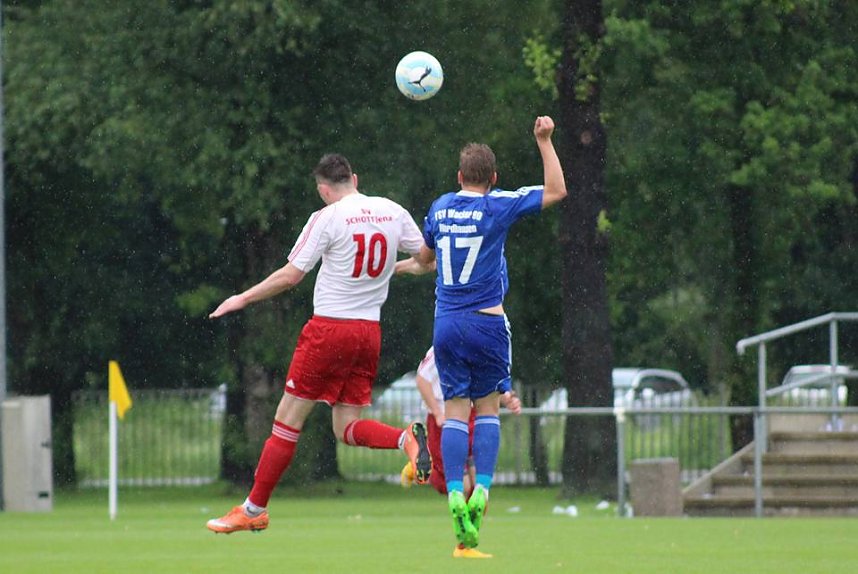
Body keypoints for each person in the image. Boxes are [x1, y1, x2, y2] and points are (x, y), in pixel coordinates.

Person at [206, 153, 432, 534]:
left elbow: (292, 275)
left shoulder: (327, 217)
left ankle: (253, 508)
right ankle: (404, 438)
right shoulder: (392, 211)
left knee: (287, 421)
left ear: (323, 190)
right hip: (368, 333)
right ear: (355, 179)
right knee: (346, 427)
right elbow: (427, 258)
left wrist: (242, 298)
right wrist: (402, 267)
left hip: (330, 330)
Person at [397, 116, 567, 551]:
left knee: (455, 413)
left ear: (458, 177)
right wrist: (543, 141)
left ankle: (454, 490)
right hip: (488, 321)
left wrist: (389, 270)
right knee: (487, 411)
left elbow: (424, 260)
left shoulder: (439, 208)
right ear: (493, 178)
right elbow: (555, 192)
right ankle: (483, 490)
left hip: (447, 324)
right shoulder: (497, 205)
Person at [398, 347, 521, 559]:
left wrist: (507, 398)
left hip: (474, 417)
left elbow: (489, 384)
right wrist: (437, 412)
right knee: (460, 488)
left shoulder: (482, 339)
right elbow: (422, 380)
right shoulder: (445, 341)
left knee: (479, 495)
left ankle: (466, 546)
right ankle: (420, 463)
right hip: (447, 420)